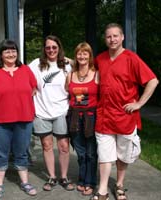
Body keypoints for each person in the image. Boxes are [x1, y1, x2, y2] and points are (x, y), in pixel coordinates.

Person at [91, 23, 159, 200]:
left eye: (115, 36)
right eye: (108, 36)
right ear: (105, 39)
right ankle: (103, 189)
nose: (112, 39)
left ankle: (119, 184)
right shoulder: (100, 59)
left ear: (122, 37)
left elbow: (153, 81)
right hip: (104, 116)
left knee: (123, 155)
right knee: (105, 155)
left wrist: (139, 104)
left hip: (125, 117)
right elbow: (84, 70)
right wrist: (69, 61)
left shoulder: (131, 58)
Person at [0, 39, 37, 199]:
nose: (11, 54)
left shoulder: (25, 70)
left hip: (23, 118)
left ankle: (25, 182)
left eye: (13, 50)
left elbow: (33, 88)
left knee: (22, 152)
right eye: (7, 51)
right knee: (0, 153)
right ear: (1, 54)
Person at [29, 35, 74, 191]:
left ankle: (64, 177)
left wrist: (69, 59)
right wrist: (31, 88)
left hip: (62, 110)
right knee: (47, 145)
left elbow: (85, 64)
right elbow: (23, 75)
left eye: (54, 47)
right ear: (44, 49)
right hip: (41, 111)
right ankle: (51, 177)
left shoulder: (67, 66)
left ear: (59, 48)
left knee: (63, 146)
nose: (51, 50)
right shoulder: (36, 64)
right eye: (48, 47)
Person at [65, 42, 98, 196]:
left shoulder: (97, 74)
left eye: (85, 53)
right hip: (74, 117)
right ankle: (82, 178)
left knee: (91, 153)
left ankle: (90, 182)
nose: (82, 56)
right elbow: (67, 92)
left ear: (90, 56)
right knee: (80, 152)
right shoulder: (70, 75)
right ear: (76, 56)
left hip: (91, 117)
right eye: (79, 53)